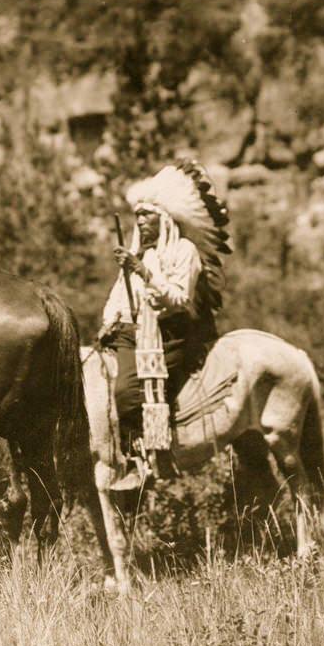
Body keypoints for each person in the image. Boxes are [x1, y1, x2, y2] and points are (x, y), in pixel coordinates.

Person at [98, 160, 230, 490]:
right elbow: (119, 294)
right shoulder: (140, 253)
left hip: (170, 333)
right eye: (138, 216)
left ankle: (142, 458)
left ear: (165, 219)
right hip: (133, 330)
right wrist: (110, 320)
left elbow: (179, 298)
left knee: (127, 391)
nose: (141, 222)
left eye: (148, 216)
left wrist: (142, 272)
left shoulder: (184, 252)